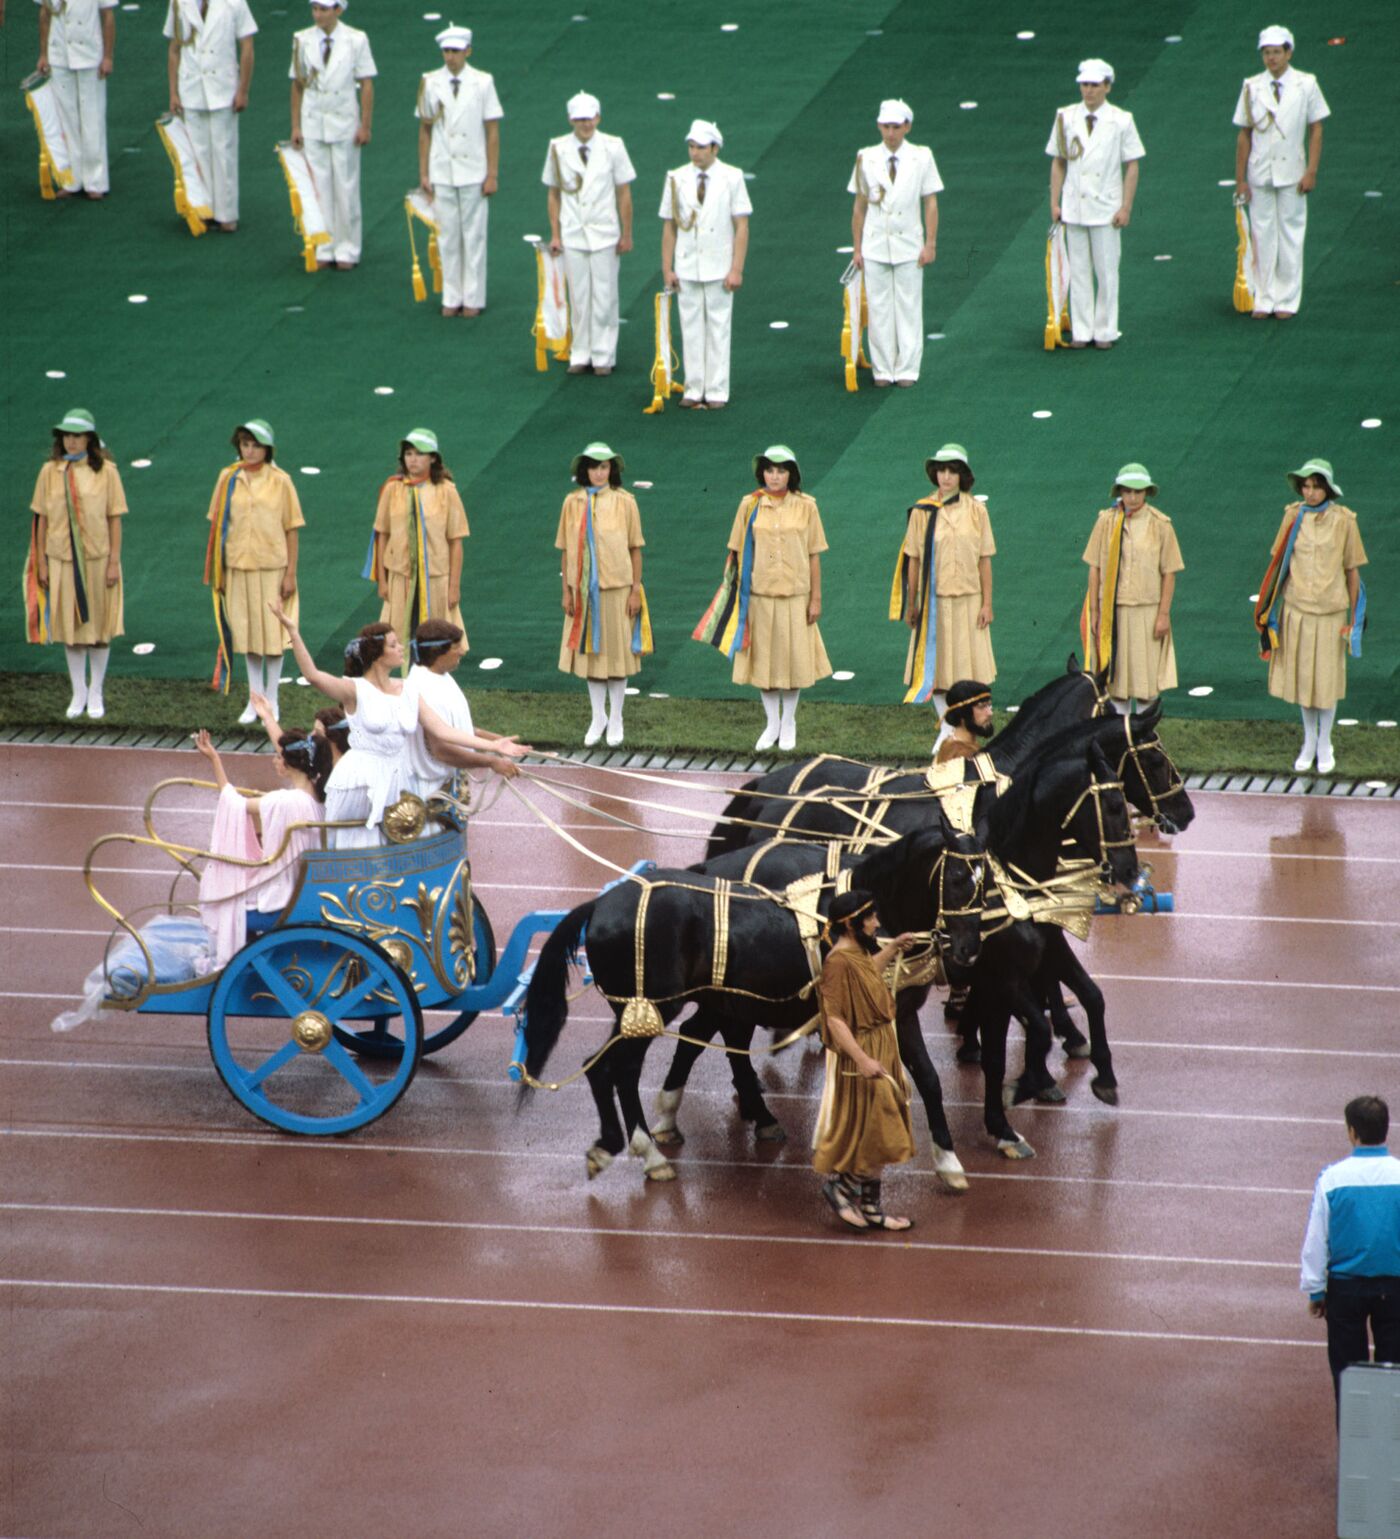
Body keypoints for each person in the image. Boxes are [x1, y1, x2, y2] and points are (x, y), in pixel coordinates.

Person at [268, 604, 522, 848]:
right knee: (360, 847)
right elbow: (313, 675)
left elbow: (442, 730)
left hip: (399, 779)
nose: (402, 648)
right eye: (393, 645)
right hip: (362, 783)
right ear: (378, 655)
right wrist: (293, 632)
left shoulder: (408, 688)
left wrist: (493, 746)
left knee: (398, 845)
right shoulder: (355, 690)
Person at [814, 889, 917, 1234]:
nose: (877, 923)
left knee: (878, 1132)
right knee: (881, 1129)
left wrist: (891, 948)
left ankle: (872, 1208)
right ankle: (841, 1188)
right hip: (865, 1053)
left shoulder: (855, 952)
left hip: (881, 1045)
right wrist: (862, 1059)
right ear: (850, 924)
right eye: (870, 918)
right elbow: (835, 1019)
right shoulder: (837, 962)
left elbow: (867, 975)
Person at [1255, 457, 1366, 775]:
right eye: (1306, 485)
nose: (1310, 491)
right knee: (1305, 680)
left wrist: (1354, 619)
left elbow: (1352, 570)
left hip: (1331, 613)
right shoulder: (1292, 516)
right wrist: (1269, 611)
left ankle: (1325, 743)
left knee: (1326, 682)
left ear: (1327, 489)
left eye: (1316, 486)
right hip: (1297, 610)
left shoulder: (1345, 520)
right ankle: (1309, 740)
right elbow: (1279, 565)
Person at [719, 445, 831, 752]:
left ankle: (789, 722)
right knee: (764, 664)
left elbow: (814, 555)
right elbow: (736, 552)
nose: (775, 476)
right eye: (770, 470)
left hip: (796, 595)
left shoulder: (807, 506)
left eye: (781, 471)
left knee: (793, 662)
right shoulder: (749, 505)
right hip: (759, 595)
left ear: (791, 474)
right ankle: (772, 723)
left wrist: (815, 598)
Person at [193, 723, 328, 966]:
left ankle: (240, 965)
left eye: (277, 756)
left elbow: (233, 803)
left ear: (287, 763)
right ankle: (255, 962)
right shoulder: (320, 802)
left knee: (224, 904)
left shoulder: (285, 802)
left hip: (282, 899)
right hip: (305, 893)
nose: (274, 761)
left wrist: (214, 759)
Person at [1300, 1096, 1400, 1419]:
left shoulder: (1332, 1178)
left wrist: (1316, 1290)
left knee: (1349, 1379)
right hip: (1395, 1289)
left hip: (1345, 1290)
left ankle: (1356, 1461)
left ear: (1352, 1132)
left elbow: (1317, 1238)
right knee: (1394, 1378)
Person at [25, 408, 126, 720]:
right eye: (66, 435)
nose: (71, 441)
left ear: (89, 439)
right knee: (70, 629)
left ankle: (96, 690)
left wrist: (113, 562)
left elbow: (114, 519)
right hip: (62, 560)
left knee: (98, 627)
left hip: (96, 560)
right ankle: (78, 691)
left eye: (77, 435)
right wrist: (40, 561)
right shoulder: (49, 472)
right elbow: (40, 519)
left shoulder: (107, 471)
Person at [894, 443, 994, 749]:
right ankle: (947, 727)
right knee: (936, 669)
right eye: (942, 470)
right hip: (933, 602)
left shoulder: (977, 511)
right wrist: (912, 603)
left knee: (968, 668)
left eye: (952, 471)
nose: (946, 476)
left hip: (967, 599)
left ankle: (963, 727)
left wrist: (987, 603)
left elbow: (984, 559)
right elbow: (913, 558)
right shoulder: (922, 511)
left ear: (962, 475)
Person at [203, 419, 303, 725]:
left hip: (272, 567)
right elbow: (218, 526)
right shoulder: (227, 478)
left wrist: (290, 573)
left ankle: (272, 698)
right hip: (237, 566)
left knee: (272, 635)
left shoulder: (281, 480)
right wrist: (217, 570)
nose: (250, 450)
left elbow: (292, 529)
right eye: (245, 444)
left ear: (267, 448)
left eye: (256, 445)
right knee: (246, 634)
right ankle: (254, 699)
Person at [1047, 58, 1144, 349]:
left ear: (1107, 87)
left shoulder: (1121, 120)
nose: (1088, 91)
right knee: (1077, 269)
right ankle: (1081, 330)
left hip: (1106, 206)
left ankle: (1105, 330)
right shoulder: (1065, 116)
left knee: (1106, 270)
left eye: (1094, 85)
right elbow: (1058, 162)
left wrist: (1126, 206)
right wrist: (1055, 202)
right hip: (1074, 205)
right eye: (1084, 85)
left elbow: (1132, 166)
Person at [1233, 25, 1329, 320]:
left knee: (1291, 233)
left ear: (1288, 52)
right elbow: (1244, 135)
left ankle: (1287, 298)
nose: (1271, 58)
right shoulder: (1251, 85)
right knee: (1262, 235)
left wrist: (1311, 170)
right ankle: (1263, 297)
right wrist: (1240, 179)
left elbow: (1316, 129)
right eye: (1266, 53)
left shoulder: (1306, 83)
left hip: (1293, 171)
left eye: (1276, 52)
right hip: (1260, 171)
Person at [556, 442, 647, 747]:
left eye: (604, 466)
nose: (599, 472)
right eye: (594, 467)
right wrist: (567, 591)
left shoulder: (625, 502)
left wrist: (635, 590)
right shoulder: (572, 503)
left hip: (617, 589)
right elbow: (566, 550)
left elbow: (635, 548)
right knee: (591, 657)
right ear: (585, 470)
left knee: (617, 657)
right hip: (583, 592)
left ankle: (617, 717)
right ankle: (598, 717)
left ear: (612, 470)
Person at [848, 98, 942, 388]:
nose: (891, 133)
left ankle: (907, 369)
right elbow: (859, 206)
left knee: (908, 306)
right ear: (878, 126)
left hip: (909, 244)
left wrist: (931, 243)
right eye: (886, 126)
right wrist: (857, 247)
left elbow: (930, 203)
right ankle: (882, 369)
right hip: (876, 244)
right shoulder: (865, 157)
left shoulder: (922, 157)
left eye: (896, 127)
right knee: (878, 307)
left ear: (907, 127)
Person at [659, 119, 751, 410]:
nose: (695, 152)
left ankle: (717, 390)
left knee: (718, 327)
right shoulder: (675, 178)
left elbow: (742, 226)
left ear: (714, 147)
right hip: (687, 265)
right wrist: (667, 267)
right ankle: (693, 386)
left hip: (719, 266)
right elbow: (669, 227)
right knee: (690, 327)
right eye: (691, 146)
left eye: (700, 147)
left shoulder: (732, 177)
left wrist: (736, 268)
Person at [543, 90, 635, 374]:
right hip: (573, 233)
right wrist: (555, 234)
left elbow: (624, 193)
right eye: (580, 119)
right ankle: (580, 353)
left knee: (605, 296)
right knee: (579, 296)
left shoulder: (613, 146)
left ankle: (603, 355)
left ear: (598, 118)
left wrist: (626, 232)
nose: (586, 124)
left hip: (605, 232)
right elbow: (554, 194)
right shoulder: (557, 148)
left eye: (590, 118)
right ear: (571, 119)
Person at [1082, 462, 1183, 713]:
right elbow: (1094, 568)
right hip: (1113, 612)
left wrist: (1163, 614)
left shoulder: (1161, 525)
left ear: (1147, 492)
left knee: (1146, 683)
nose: (1133, 497)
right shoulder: (1106, 522)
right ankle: (1122, 741)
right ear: (1120, 492)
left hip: (1147, 611)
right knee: (1117, 683)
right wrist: (1095, 613)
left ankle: (1143, 740)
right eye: (1127, 491)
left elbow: (1169, 572)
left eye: (1138, 491)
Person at [416, 23, 502, 316]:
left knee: (474, 236)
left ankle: (473, 298)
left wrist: (492, 174)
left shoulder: (483, 82)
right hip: (443, 169)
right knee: (447, 236)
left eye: (455, 51)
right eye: (446, 51)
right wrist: (424, 173)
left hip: (473, 170)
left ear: (468, 51)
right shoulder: (429, 81)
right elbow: (425, 130)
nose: (450, 57)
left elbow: (492, 130)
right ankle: (451, 297)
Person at [289, 0, 375, 270]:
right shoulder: (302, 40)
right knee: (319, 188)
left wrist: (365, 125)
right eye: (314, 9)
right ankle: (323, 245)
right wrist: (296, 125)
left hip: (344, 123)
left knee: (345, 187)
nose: (317, 15)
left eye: (323, 9)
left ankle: (347, 249)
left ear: (338, 10)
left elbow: (367, 83)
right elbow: (297, 86)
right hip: (314, 121)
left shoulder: (356, 39)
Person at [403, 618, 526, 801]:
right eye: (456, 647)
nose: (463, 651)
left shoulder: (439, 676)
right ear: (438, 652)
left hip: (446, 786)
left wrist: (496, 740)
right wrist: (491, 761)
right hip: (429, 794)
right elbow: (441, 750)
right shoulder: (426, 689)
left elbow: (457, 728)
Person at [370, 428, 469, 649]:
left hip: (435, 578)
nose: (412, 460)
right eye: (408, 454)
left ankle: (431, 682)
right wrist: (383, 581)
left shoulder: (446, 491)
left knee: (436, 641)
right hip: (400, 577)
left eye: (419, 454)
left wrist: (454, 585)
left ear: (433, 458)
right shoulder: (393, 489)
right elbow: (382, 535)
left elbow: (456, 541)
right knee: (399, 639)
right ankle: (408, 682)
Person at [164, 0, 257, 231]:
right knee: (197, 152)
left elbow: (247, 47)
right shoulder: (178, 3)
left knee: (223, 151)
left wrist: (243, 90)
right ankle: (202, 209)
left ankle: (226, 214)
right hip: (191, 86)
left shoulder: (234, 3)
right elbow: (174, 50)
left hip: (223, 87)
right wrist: (173, 92)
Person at [36, 0, 117, 199]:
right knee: (66, 119)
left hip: (90, 52)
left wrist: (108, 57)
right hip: (59, 52)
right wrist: (43, 54)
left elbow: (107, 16)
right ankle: (71, 179)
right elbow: (44, 14)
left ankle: (96, 181)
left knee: (93, 118)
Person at [935, 679, 993, 765]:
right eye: (982, 707)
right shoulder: (962, 755)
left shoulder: (953, 744)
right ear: (963, 713)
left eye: (989, 706)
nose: (990, 713)